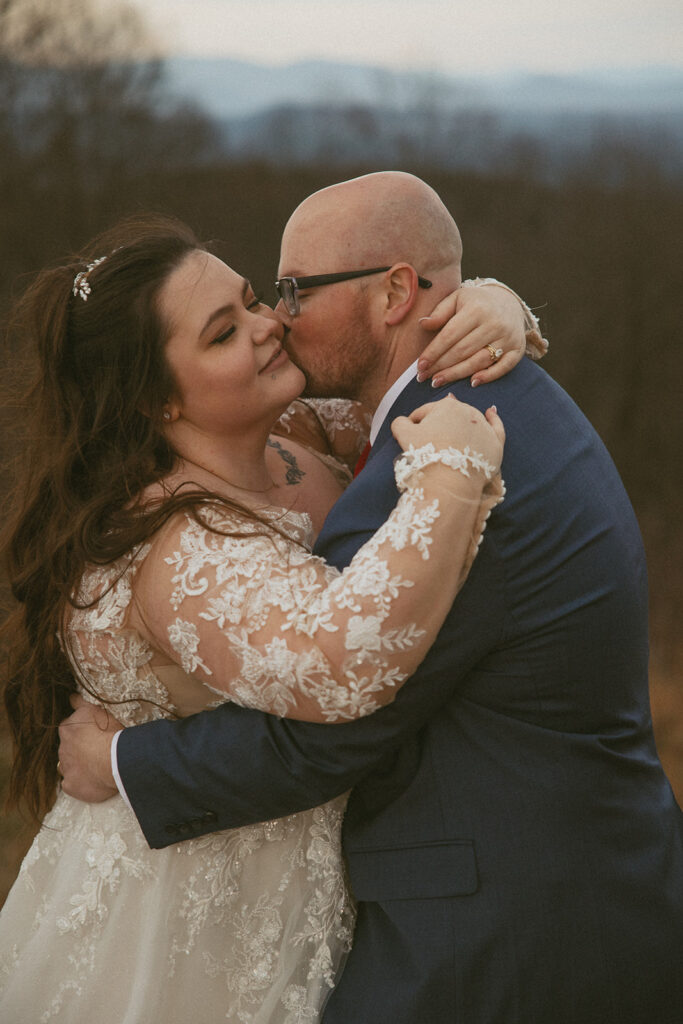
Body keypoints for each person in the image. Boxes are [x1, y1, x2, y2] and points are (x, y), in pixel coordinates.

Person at [58, 172, 683, 1023]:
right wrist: (491, 298)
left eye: (285, 293)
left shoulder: (447, 464)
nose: (275, 320)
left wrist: (123, 764)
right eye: (239, 316)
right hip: (526, 886)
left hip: (503, 932)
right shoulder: (448, 415)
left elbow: (332, 729)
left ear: (394, 292)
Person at [0, 209, 526, 1022]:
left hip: (311, 886)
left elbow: (398, 377)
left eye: (250, 299)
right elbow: (341, 663)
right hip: (191, 921)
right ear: (152, 401)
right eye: (222, 333)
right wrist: (452, 474)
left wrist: (491, 305)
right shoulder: (178, 548)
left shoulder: (290, 433)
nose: (267, 326)